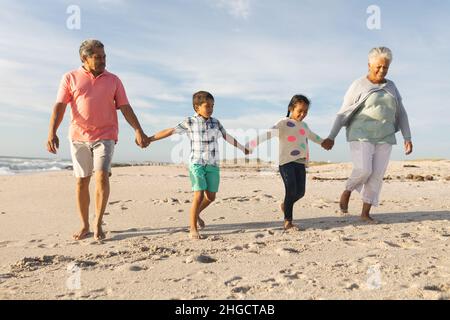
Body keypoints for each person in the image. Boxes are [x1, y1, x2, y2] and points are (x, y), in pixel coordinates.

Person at [46, 39, 148, 240]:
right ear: (84, 58)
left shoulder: (114, 80)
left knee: (101, 176)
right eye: (97, 57)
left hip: (106, 135)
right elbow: (59, 106)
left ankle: (98, 222)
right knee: (82, 182)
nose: (102, 61)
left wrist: (138, 130)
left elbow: (125, 107)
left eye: (104, 56)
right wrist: (52, 132)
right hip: (78, 136)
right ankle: (84, 224)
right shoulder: (70, 77)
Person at [323, 47, 413, 223]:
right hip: (360, 134)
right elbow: (343, 112)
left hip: (385, 136)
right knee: (364, 170)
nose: (381, 70)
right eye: (378, 66)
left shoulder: (391, 86)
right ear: (369, 65)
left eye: (385, 67)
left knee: (377, 176)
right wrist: (331, 136)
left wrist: (407, 137)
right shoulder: (359, 85)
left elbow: (401, 112)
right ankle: (348, 190)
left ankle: (365, 213)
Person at [145, 91, 250, 239]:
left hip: (212, 164)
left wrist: (241, 147)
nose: (210, 109)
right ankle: (193, 228)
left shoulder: (216, 122)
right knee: (199, 195)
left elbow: (227, 137)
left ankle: (197, 213)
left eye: (212, 106)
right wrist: (150, 139)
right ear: (197, 107)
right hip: (196, 163)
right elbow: (170, 131)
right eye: (207, 106)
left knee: (211, 197)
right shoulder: (190, 121)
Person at [247, 95, 332, 231]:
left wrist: (324, 142)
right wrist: (250, 145)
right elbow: (267, 134)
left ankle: (285, 205)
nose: (303, 114)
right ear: (291, 109)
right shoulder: (283, 123)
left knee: (300, 192)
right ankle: (288, 221)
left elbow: (313, 136)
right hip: (286, 162)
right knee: (291, 190)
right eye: (300, 111)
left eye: (306, 111)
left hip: (300, 163)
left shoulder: (304, 125)